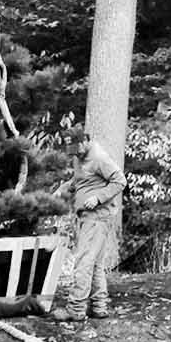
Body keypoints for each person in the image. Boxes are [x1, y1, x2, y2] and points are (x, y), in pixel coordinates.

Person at [50, 134, 126, 323]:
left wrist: (98, 197)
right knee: (96, 264)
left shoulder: (99, 157)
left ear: (85, 141)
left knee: (83, 262)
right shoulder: (79, 158)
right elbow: (79, 182)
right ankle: (99, 306)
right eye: (71, 151)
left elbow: (120, 181)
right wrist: (62, 190)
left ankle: (75, 309)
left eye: (77, 148)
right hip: (87, 217)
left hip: (97, 218)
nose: (74, 154)